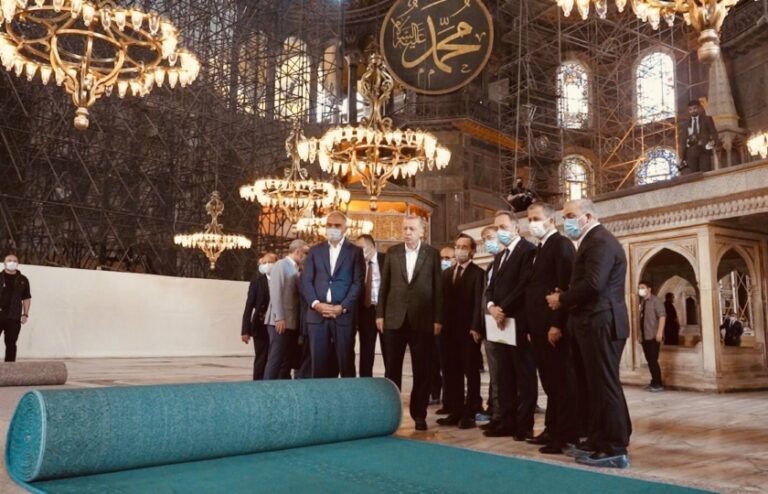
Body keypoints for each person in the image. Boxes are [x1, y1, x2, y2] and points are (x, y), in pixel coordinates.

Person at [546, 199, 632, 469]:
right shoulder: (590, 241)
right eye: (564, 216)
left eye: (571, 215)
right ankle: (598, 438)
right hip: (591, 322)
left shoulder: (600, 241)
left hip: (602, 321)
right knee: (594, 386)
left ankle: (615, 446)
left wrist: (562, 299)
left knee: (604, 384)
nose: (567, 221)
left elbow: (594, 284)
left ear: (589, 216)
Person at [377, 215, 443, 431]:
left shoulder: (432, 254)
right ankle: (391, 414)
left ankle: (419, 414)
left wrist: (438, 318)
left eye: (412, 229)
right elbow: (384, 286)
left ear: (421, 232)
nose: (407, 232)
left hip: (422, 320)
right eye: (405, 228)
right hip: (394, 319)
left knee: (422, 370)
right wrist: (380, 315)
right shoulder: (393, 252)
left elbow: (438, 288)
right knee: (392, 369)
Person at [524, 203, 579, 454]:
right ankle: (552, 428)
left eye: (536, 218)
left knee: (561, 382)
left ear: (551, 221)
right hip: (538, 325)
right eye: (529, 219)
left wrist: (557, 324)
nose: (532, 223)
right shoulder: (540, 247)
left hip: (553, 326)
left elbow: (564, 287)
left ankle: (565, 435)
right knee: (549, 382)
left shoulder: (561, 244)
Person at [484, 211, 537, 440]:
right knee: (504, 374)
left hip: (518, 321)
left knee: (523, 375)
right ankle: (506, 421)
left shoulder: (528, 250)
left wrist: (503, 308)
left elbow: (524, 285)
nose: (500, 232)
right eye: (497, 228)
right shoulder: (500, 256)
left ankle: (524, 425)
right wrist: (491, 307)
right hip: (499, 322)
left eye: (503, 227)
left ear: (516, 227)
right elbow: (491, 287)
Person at [301, 211, 365, 378]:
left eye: (337, 225)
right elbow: (306, 281)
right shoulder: (315, 251)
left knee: (346, 364)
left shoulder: (355, 252)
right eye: (329, 225)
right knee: (318, 366)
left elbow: (357, 284)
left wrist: (342, 307)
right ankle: (320, 395)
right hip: (317, 316)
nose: (332, 228)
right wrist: (316, 304)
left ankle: (345, 395)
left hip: (343, 316)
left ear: (345, 229)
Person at [437, 233, 484, 430]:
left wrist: (476, 326)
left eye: (464, 247)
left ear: (472, 251)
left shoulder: (478, 273)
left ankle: (470, 412)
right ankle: (455, 410)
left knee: (470, 371)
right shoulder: (446, 273)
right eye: (457, 246)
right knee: (451, 371)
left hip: (468, 331)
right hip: (448, 331)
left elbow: (479, 302)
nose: (459, 250)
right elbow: (441, 301)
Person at [264, 240, 308, 380]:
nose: (306, 256)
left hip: (291, 322)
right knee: (276, 358)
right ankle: (266, 387)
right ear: (298, 251)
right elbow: (275, 292)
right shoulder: (281, 265)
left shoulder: (296, 268)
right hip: (279, 321)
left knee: (286, 360)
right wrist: (279, 317)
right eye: (305, 253)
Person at [241, 252, 277, 380]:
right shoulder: (257, 282)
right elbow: (249, 306)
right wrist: (245, 330)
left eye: (270, 262)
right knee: (261, 357)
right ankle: (258, 383)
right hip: (260, 324)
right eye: (264, 263)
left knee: (276, 357)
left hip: (278, 324)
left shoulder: (281, 279)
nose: (267, 265)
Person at [355, 234, 385, 377]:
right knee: (366, 351)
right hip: (366, 311)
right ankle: (365, 383)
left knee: (389, 351)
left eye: (361, 248)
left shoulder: (386, 259)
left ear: (372, 247)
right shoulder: (358, 264)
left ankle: (390, 383)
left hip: (385, 312)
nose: (358, 252)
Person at [479, 225, 500, 428]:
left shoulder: (506, 261)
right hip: (488, 323)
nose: (487, 241)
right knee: (494, 371)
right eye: (484, 238)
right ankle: (495, 408)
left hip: (502, 321)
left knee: (502, 370)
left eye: (490, 237)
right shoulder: (492, 264)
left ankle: (500, 412)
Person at [0, 253, 31, 362]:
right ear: (4, 263)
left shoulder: (23, 280)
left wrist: (25, 314)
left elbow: (26, 298)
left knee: (11, 344)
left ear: (18, 263)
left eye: (14, 261)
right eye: (9, 260)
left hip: (14, 317)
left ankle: (9, 368)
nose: (12, 262)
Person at [638, 281, 666, 392]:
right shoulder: (643, 302)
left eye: (642, 287)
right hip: (645, 336)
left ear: (649, 289)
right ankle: (654, 382)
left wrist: (660, 332)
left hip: (653, 336)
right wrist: (640, 335)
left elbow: (662, 316)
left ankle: (658, 384)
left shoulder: (656, 301)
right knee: (650, 360)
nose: (640, 290)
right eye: (639, 288)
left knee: (653, 360)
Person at [679, 100, 717, 174]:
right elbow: (683, 140)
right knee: (693, 175)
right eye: (690, 109)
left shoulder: (707, 119)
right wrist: (682, 156)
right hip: (690, 153)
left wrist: (712, 143)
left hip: (704, 151)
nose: (693, 111)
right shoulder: (686, 124)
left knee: (706, 173)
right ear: (688, 111)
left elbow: (714, 133)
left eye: (695, 108)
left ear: (699, 108)